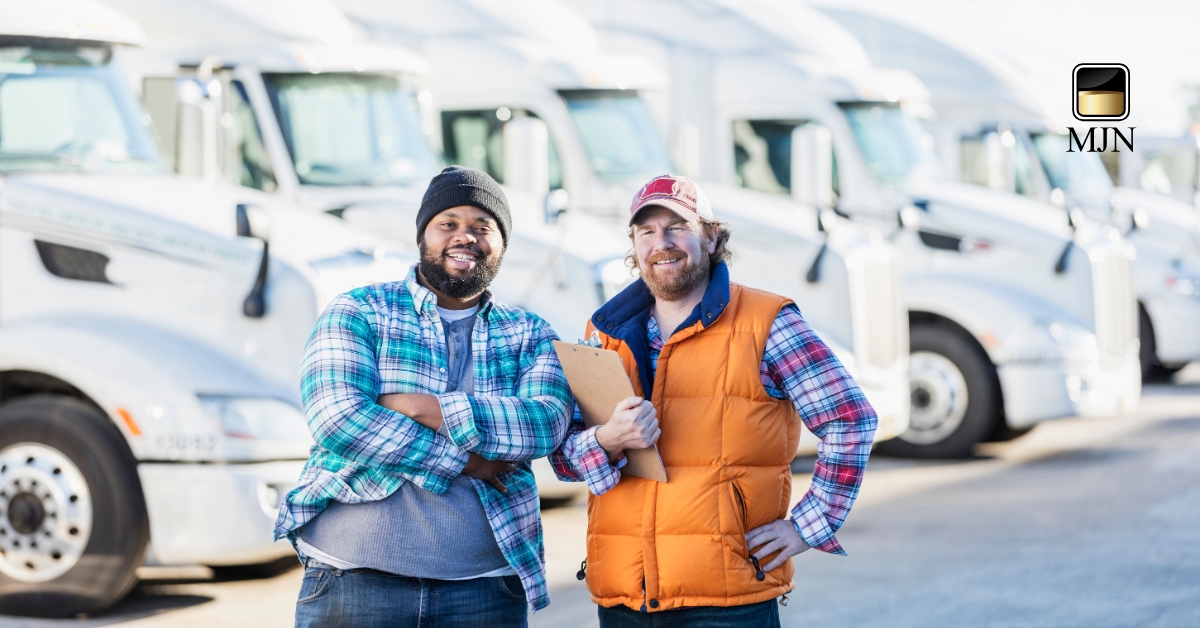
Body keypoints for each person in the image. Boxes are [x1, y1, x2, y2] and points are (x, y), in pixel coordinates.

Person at [550, 174, 878, 627]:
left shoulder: (767, 323)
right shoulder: (602, 333)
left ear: (711, 234)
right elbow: (564, 459)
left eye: (676, 227)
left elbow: (851, 419)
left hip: (728, 602)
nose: (661, 243)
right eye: (646, 231)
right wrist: (607, 439)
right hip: (626, 598)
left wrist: (810, 524)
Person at [275, 166, 572, 627]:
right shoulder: (359, 310)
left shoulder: (529, 334)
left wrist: (419, 407)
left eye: (481, 226)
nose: (464, 237)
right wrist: (467, 461)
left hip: (485, 590)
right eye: (448, 223)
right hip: (354, 580)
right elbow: (339, 421)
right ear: (423, 236)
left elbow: (543, 425)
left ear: (502, 244)